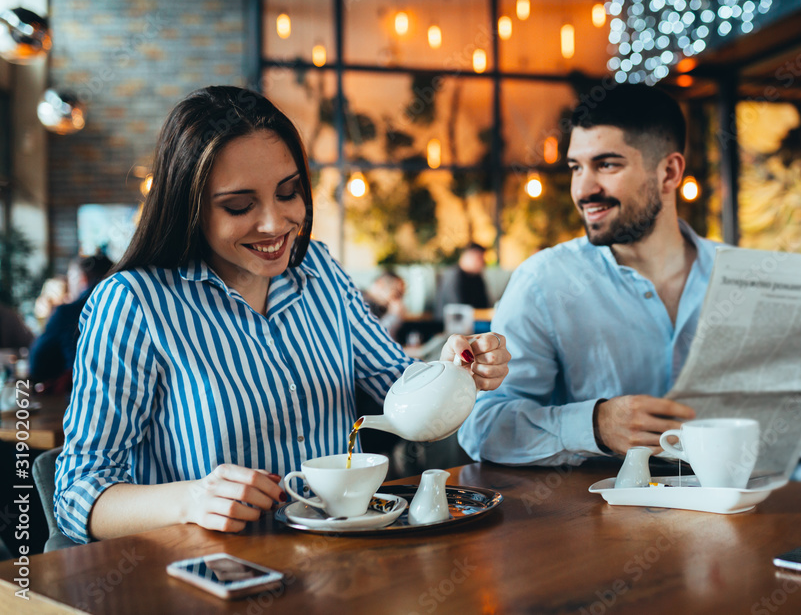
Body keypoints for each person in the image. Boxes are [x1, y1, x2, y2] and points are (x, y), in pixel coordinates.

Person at [54, 87, 510, 545]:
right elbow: (77, 494)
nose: (275, 224)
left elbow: (397, 386)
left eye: (289, 193)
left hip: (338, 562)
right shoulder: (135, 303)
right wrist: (190, 499)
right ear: (188, 206)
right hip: (217, 579)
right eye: (239, 205)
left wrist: (453, 373)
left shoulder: (320, 270)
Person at [458, 84, 801, 466]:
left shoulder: (750, 279)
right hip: (595, 533)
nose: (583, 189)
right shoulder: (543, 282)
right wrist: (594, 425)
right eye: (576, 167)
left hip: (733, 521)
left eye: (606, 165)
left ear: (669, 172)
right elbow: (481, 429)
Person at [29, 253, 114, 387]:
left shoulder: (69, 312)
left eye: (71, 278)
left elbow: (73, 364)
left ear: (83, 279)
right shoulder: (119, 307)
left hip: (57, 394)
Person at [434, 244, 491, 319]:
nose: (483, 263)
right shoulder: (452, 276)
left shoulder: (477, 277)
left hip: (473, 323)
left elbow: (485, 305)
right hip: (450, 325)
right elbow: (458, 308)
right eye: (479, 258)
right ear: (467, 256)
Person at [363, 271, 407, 342]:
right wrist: (393, 315)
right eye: (396, 294)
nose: (398, 300)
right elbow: (374, 338)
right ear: (380, 284)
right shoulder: (362, 303)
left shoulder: (380, 306)